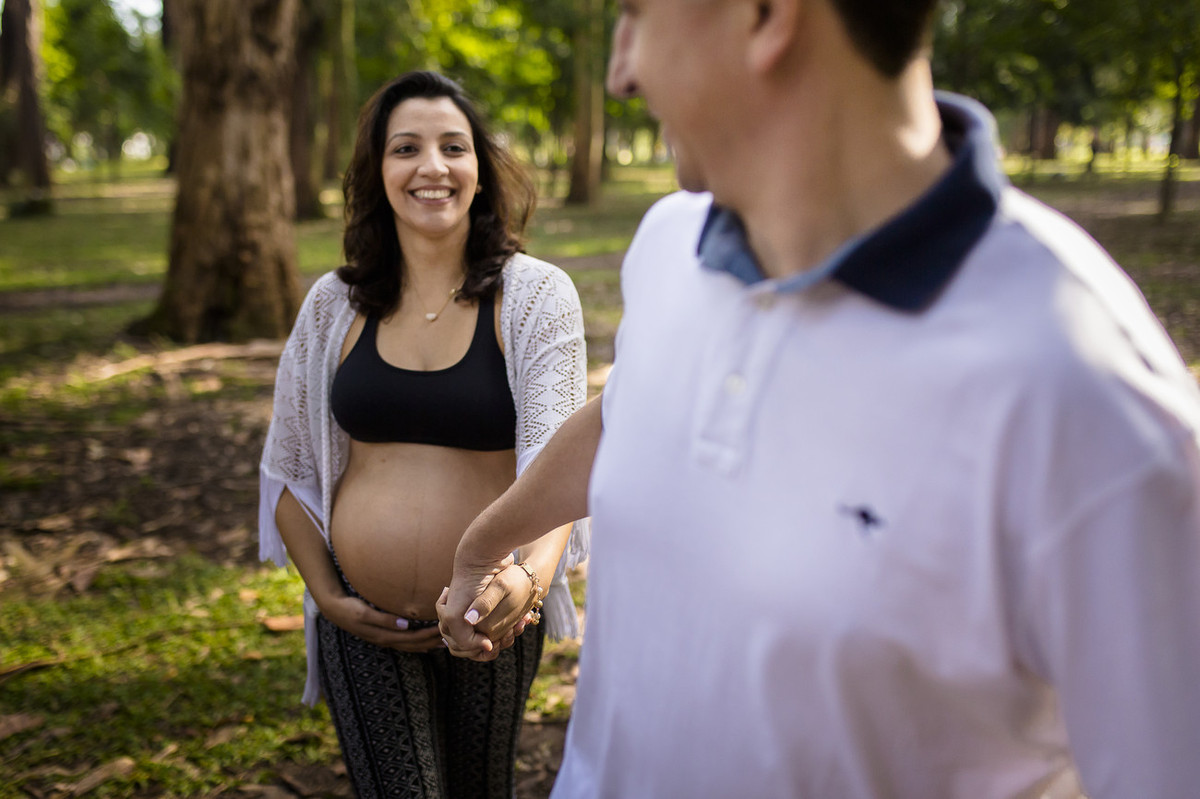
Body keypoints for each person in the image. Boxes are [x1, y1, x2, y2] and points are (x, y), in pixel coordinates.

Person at [437, 1, 1200, 797]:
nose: (620, 72)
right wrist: (484, 542)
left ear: (767, 17)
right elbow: (631, 419)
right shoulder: (671, 244)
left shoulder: (1085, 391)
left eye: (636, 16)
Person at [258, 70, 589, 798]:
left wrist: (524, 583)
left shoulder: (536, 297)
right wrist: (330, 599)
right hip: (360, 619)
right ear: (378, 173)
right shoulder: (332, 305)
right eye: (406, 148)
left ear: (480, 171)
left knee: (480, 788)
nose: (432, 166)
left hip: (496, 610)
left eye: (453, 147)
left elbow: (561, 473)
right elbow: (289, 469)